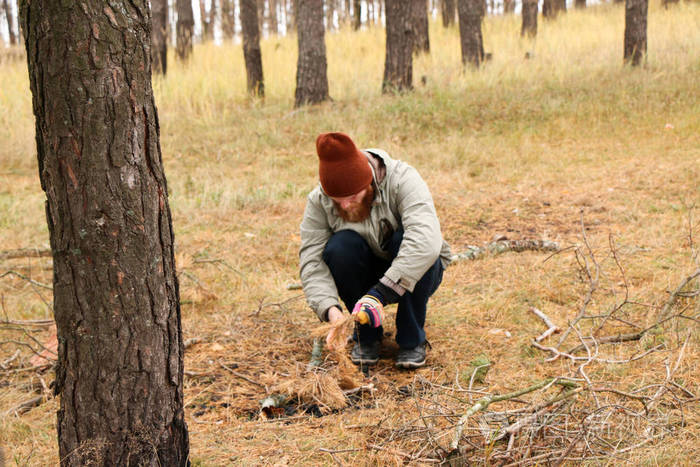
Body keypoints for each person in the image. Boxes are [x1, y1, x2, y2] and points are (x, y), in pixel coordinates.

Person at [299, 132, 451, 368]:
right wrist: (331, 312)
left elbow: (426, 241)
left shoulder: (403, 179)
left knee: (408, 241)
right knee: (340, 247)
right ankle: (367, 336)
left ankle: (412, 340)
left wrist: (380, 294)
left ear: (367, 181)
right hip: (365, 271)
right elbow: (312, 261)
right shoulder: (319, 200)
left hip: (415, 272)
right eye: (337, 200)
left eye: (351, 197)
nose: (345, 205)